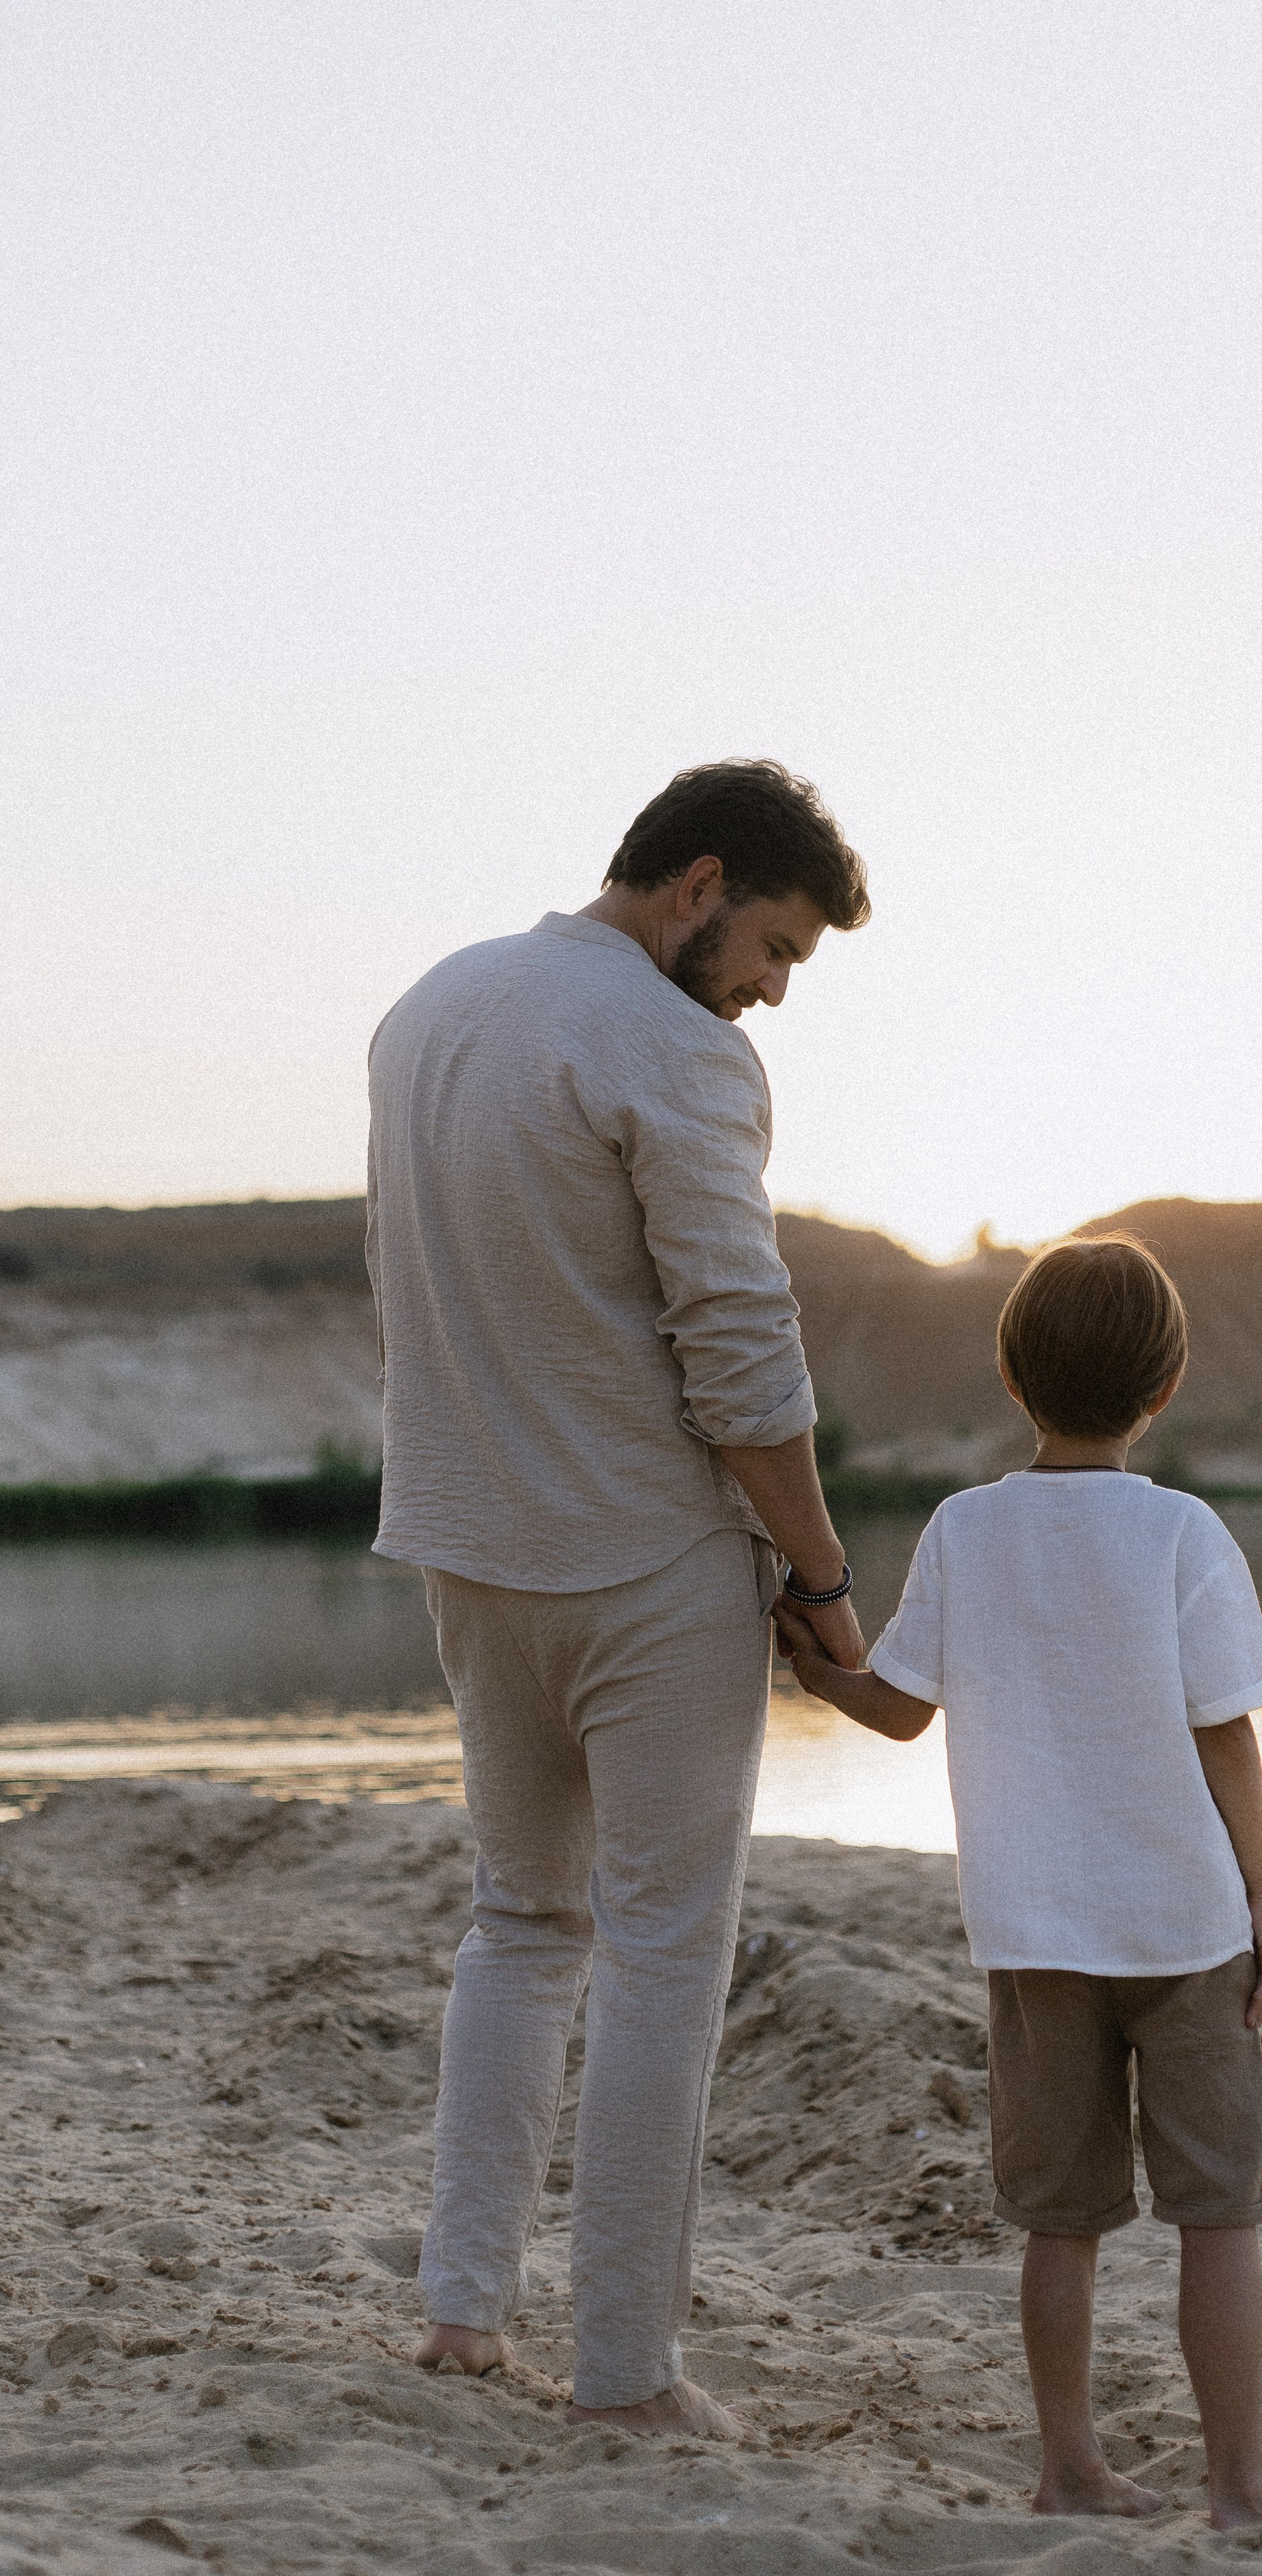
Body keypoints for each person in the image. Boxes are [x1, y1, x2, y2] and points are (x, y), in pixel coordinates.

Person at [366, 759, 869, 2438]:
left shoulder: (427, 1009)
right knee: (662, 1954)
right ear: (696, 882)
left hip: (466, 1544)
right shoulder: (672, 1046)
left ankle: (458, 2313)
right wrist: (817, 1572)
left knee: (519, 1921)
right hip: (644, 1564)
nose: (772, 991)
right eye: (775, 946)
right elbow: (740, 1348)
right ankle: (626, 2374)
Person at [774, 1235, 1262, 2535]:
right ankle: (1241, 2486)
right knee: (1220, 2215)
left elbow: (901, 1711)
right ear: (1166, 1386)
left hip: (1034, 1937)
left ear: (1011, 1375)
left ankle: (1070, 2468)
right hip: (1184, 1926)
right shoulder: (1180, 1532)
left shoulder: (965, 1528)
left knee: (1062, 2219)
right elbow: (1226, 1729)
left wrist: (818, 1673)